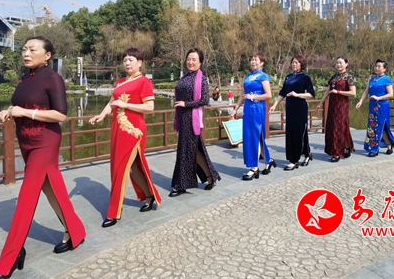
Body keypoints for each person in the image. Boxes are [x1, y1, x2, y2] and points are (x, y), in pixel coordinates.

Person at [0, 37, 85, 279]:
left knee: (26, 196)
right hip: (25, 142)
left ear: (47, 55)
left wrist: (25, 112)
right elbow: (20, 106)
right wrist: (8, 112)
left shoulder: (53, 78)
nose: (26, 53)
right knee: (53, 188)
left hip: (45, 141)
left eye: (32, 49)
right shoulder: (25, 78)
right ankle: (76, 231)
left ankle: (10, 257)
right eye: (24, 49)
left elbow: (60, 115)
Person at [89, 48, 161, 228]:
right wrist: (102, 115)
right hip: (117, 128)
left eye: (131, 60)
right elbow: (112, 102)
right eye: (125, 60)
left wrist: (125, 104)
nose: (127, 63)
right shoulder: (120, 81)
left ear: (140, 62)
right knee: (133, 168)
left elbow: (150, 107)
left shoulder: (144, 82)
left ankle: (113, 212)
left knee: (120, 168)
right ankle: (150, 195)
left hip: (133, 130)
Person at [169, 48, 221, 196]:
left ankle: (181, 185)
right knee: (195, 150)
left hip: (192, 119)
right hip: (182, 118)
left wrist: (185, 104)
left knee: (185, 152)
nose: (190, 62)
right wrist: (177, 114)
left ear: (200, 62)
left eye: (194, 59)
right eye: (189, 59)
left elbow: (204, 100)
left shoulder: (202, 79)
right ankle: (211, 177)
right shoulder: (185, 76)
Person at [230, 53, 274, 180]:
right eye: (252, 60)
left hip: (258, 109)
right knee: (251, 136)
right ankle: (268, 160)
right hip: (248, 109)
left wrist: (253, 97)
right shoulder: (248, 76)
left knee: (254, 136)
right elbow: (242, 94)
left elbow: (268, 95)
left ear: (262, 63)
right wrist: (236, 108)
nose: (253, 62)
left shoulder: (263, 76)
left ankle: (254, 168)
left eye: (256, 60)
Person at [269, 55, 315, 170]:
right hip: (290, 108)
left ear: (301, 64)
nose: (294, 64)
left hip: (300, 108)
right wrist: (275, 105)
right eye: (293, 62)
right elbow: (282, 92)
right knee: (291, 133)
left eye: (296, 62)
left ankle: (294, 161)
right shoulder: (288, 77)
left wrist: (297, 95)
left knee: (299, 133)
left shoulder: (305, 77)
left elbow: (311, 94)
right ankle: (307, 154)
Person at [315, 56, 356, 162]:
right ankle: (346, 147)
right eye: (337, 63)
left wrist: (338, 92)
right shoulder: (334, 77)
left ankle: (337, 153)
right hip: (333, 106)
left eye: (340, 63)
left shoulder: (348, 77)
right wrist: (321, 103)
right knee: (332, 127)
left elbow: (353, 93)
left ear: (346, 64)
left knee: (340, 128)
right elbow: (327, 91)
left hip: (342, 106)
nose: (338, 65)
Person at [356, 59, 394, 157]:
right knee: (373, 126)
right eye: (376, 66)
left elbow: (390, 94)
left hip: (382, 106)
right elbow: (366, 91)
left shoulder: (386, 79)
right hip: (372, 106)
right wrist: (361, 101)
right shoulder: (372, 79)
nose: (376, 68)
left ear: (384, 69)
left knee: (381, 126)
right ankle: (388, 144)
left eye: (379, 66)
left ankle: (375, 149)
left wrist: (378, 98)